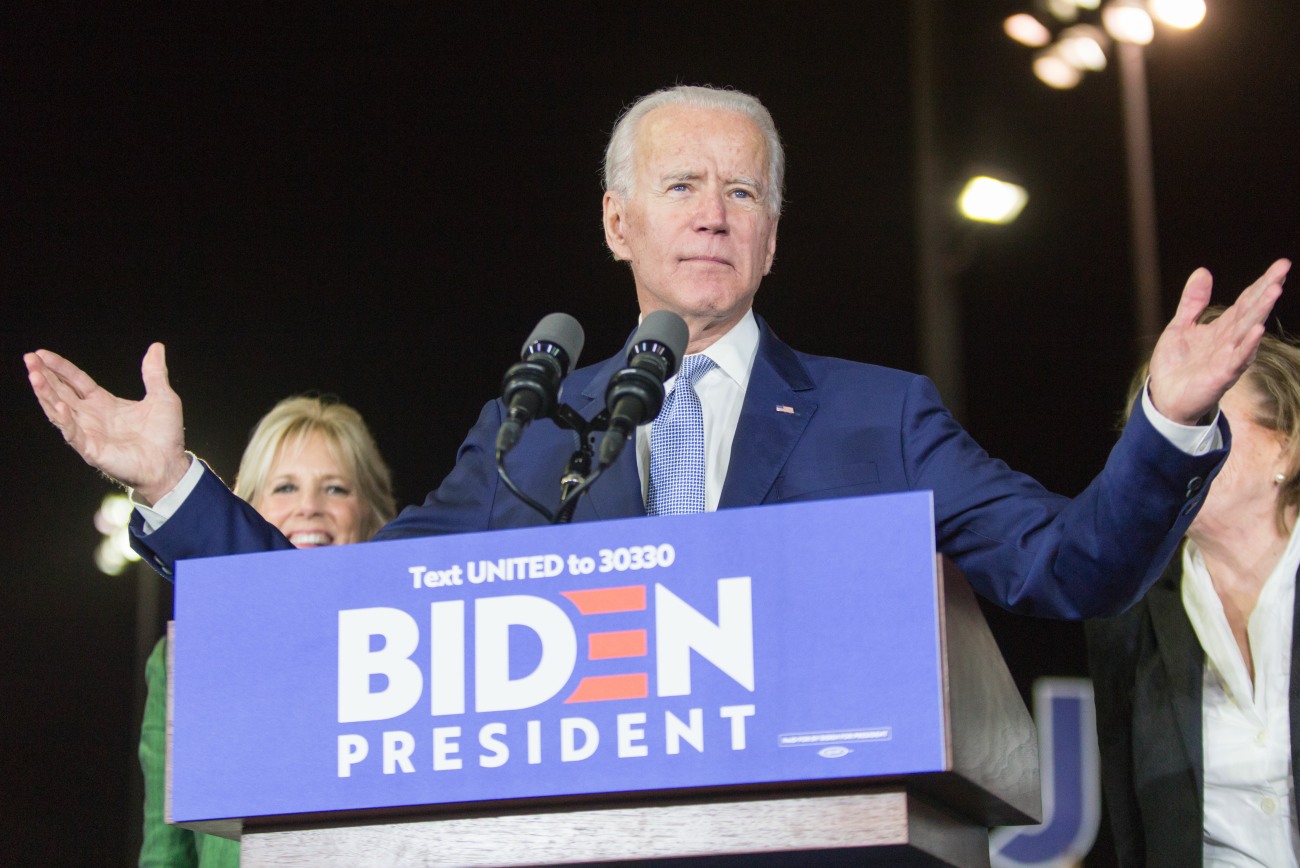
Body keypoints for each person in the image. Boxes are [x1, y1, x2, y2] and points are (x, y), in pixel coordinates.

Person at [24, 85, 1290, 620]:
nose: (711, 211)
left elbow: (1068, 571)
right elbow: (348, 601)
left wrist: (1167, 424)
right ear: (617, 224)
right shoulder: (529, 429)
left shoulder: (880, 416)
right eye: (679, 184)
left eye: (742, 193)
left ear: (774, 235)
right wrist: (175, 489)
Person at [137, 396, 395, 868]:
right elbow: (165, 848)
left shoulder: (418, 643)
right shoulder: (183, 657)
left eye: (336, 488)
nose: (309, 508)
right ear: (243, 509)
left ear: (373, 514)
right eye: (285, 487)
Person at [1087, 317, 1300, 867]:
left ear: (1287, 447)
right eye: (1156, 435)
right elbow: (1128, 834)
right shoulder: (1125, 611)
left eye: (1202, 420)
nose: (1173, 453)